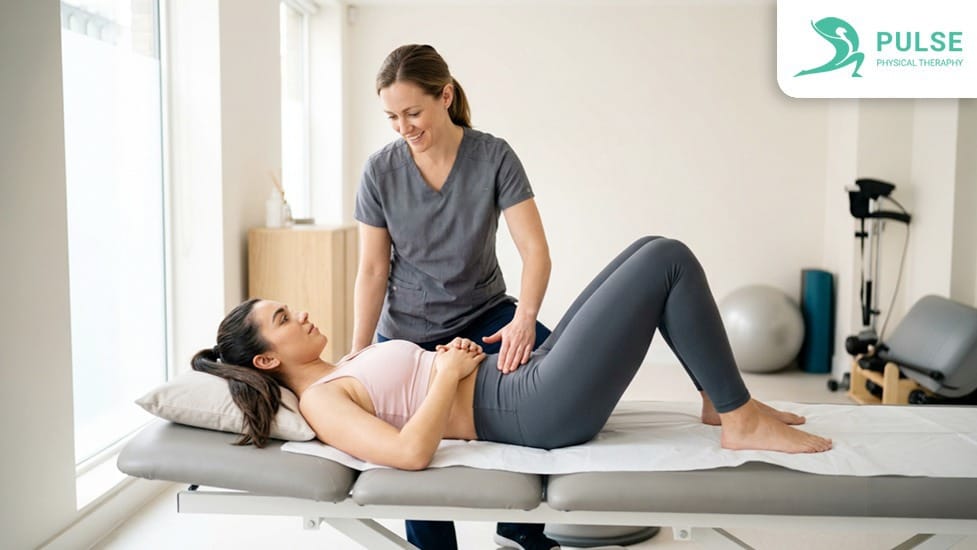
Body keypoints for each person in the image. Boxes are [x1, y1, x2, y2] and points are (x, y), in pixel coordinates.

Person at [194, 237, 833, 496]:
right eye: (283, 319)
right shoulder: (321, 403)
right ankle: (738, 417)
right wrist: (445, 376)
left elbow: (407, 385)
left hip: (517, 376)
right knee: (666, 259)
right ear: (268, 358)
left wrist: (456, 356)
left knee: (647, 251)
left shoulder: (345, 363)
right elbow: (410, 453)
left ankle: (720, 399)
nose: (300, 314)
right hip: (529, 409)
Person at [350, 43, 555, 549]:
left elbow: (536, 251)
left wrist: (525, 319)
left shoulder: (493, 156)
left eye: (413, 112)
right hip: (407, 334)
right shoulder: (380, 172)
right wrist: (361, 352)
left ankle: (520, 528)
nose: (404, 127)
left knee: (555, 373)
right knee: (417, 428)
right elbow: (373, 270)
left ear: (445, 96)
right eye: (392, 117)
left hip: (487, 314)